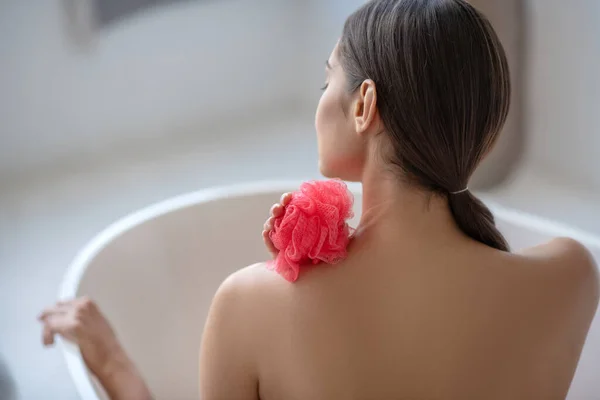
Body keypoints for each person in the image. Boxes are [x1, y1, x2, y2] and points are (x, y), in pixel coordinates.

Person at [40, 0, 599, 399]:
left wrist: (114, 366)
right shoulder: (572, 277)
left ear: (364, 106)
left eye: (326, 81)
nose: (319, 102)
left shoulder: (252, 304)